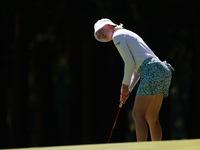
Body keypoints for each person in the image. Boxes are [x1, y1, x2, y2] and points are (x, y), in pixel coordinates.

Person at [94, 18, 174, 142]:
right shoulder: (125, 34)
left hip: (151, 70)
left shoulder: (117, 35)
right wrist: (128, 89)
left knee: (137, 114)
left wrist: (124, 86)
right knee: (152, 117)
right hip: (162, 70)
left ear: (109, 25)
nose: (101, 35)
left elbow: (129, 63)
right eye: (98, 36)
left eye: (100, 31)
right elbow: (137, 69)